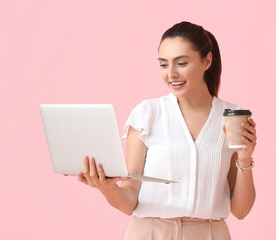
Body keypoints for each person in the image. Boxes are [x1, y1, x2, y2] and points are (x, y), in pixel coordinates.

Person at [77, 21, 257, 240]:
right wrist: (106, 188)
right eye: (163, 65)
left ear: (207, 60)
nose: (171, 74)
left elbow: (240, 210)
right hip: (150, 233)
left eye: (181, 63)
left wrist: (245, 159)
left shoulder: (231, 116)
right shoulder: (147, 114)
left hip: (210, 234)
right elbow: (129, 199)